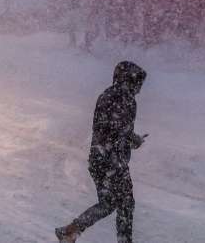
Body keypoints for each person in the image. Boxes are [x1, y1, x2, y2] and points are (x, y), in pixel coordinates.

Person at [56, 61, 148, 243]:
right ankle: (123, 241)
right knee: (126, 204)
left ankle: (70, 231)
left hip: (100, 158)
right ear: (128, 79)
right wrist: (132, 139)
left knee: (109, 203)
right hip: (112, 161)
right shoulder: (125, 98)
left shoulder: (108, 95)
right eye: (137, 83)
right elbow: (116, 130)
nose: (139, 89)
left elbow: (109, 129)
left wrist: (131, 139)